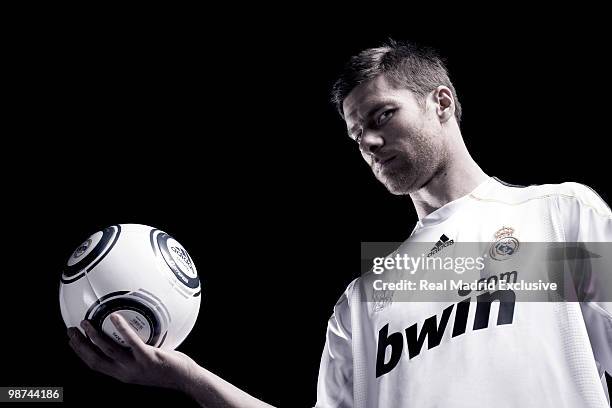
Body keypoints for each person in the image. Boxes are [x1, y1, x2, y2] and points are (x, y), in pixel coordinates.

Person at [68, 39, 612, 407]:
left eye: (382, 116)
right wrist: (183, 376)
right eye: (357, 135)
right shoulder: (363, 301)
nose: (370, 142)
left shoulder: (557, 215)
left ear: (441, 103)